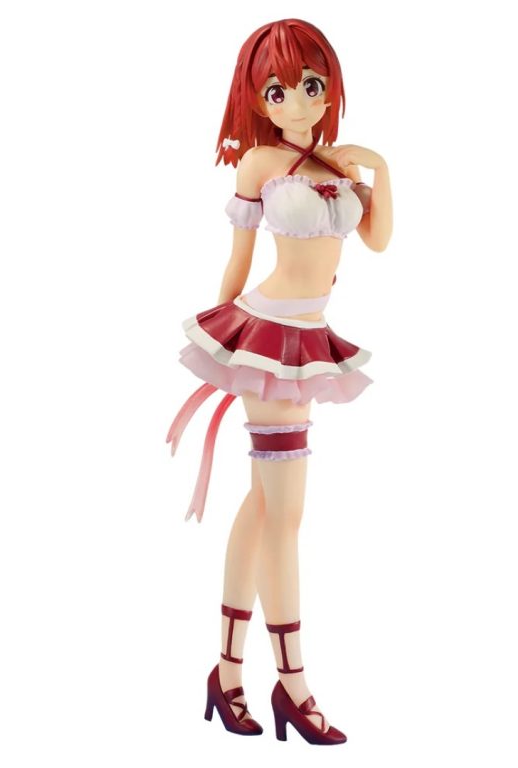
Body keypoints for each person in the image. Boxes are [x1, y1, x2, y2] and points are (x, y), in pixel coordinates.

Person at [166, 18, 393, 745]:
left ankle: (227, 672)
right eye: (278, 90)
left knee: (266, 507)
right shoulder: (259, 164)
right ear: (257, 100)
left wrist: (379, 170)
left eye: (312, 84)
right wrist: (220, 341)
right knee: (286, 512)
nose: (298, 101)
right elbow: (238, 262)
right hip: (268, 336)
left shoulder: (337, 165)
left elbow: (377, 240)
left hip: (310, 336)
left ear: (330, 86)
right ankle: (292, 684)